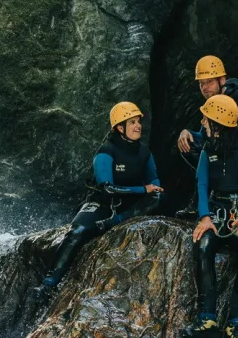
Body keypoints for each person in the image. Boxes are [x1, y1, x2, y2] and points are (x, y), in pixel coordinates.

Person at [180, 94, 238, 338]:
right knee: (202, 244)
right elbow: (202, 185)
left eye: (206, 120)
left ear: (217, 125)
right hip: (218, 209)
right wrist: (205, 217)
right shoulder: (209, 148)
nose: (202, 123)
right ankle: (207, 319)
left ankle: (235, 324)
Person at [41, 102, 163, 290]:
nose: (138, 126)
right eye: (132, 122)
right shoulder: (106, 150)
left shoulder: (144, 152)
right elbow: (108, 188)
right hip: (103, 203)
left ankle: (114, 222)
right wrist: (142, 189)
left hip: (129, 207)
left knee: (159, 198)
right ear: (120, 127)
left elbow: (154, 181)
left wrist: (152, 189)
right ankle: (49, 282)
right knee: (77, 232)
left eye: (138, 122)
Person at [175, 55, 238, 217]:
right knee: (188, 145)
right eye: (201, 83)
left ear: (222, 80)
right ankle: (205, 198)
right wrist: (186, 132)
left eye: (209, 82)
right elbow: (203, 137)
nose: (204, 88)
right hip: (223, 158)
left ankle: (218, 193)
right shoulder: (212, 104)